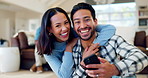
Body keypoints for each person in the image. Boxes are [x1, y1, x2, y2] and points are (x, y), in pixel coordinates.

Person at [69, 2, 148, 78]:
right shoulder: (73, 49)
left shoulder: (112, 40)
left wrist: (114, 69)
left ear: (95, 21)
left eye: (87, 20)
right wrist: (83, 64)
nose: (82, 26)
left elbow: (142, 57)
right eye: (77, 22)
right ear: (73, 26)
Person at [37, 7, 116, 78]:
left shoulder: (76, 30)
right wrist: (69, 48)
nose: (64, 29)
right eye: (58, 26)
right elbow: (64, 76)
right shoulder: (48, 51)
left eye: (66, 22)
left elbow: (109, 28)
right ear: (50, 29)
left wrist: (92, 47)